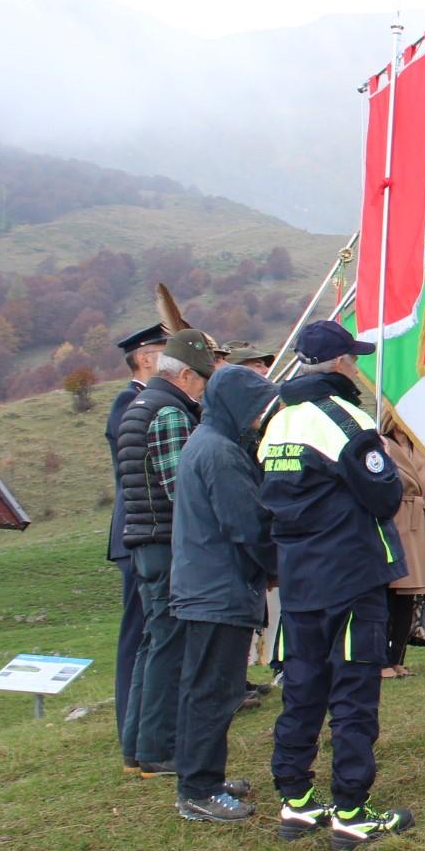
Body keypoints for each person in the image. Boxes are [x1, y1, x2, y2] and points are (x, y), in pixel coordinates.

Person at [258, 321, 413, 850]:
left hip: (298, 580)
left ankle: (296, 798)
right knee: (353, 694)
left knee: (302, 689)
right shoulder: (346, 420)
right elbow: (384, 497)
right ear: (342, 364)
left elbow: (270, 500)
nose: (359, 367)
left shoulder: (276, 422)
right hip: (350, 576)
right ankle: (351, 807)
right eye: (355, 359)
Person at [168, 364, 279, 822]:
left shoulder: (207, 442)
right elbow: (247, 525)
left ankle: (205, 777)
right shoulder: (222, 454)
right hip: (218, 588)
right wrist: (275, 566)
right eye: (255, 410)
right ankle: (198, 789)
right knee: (212, 691)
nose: (258, 420)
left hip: (206, 584)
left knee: (209, 688)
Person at [117, 328, 214, 778]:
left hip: (142, 536)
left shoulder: (140, 407)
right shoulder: (170, 413)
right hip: (164, 540)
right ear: (187, 377)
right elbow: (182, 490)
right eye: (203, 380)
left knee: (152, 644)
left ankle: (137, 744)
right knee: (169, 646)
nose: (203, 389)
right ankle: (159, 748)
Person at [107, 321, 166, 767]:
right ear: (145, 357)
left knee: (150, 630)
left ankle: (143, 719)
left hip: (144, 529)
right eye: (163, 349)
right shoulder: (131, 402)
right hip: (140, 531)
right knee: (139, 633)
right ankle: (132, 717)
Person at [379, 413, 425, 679]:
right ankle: (381, 660)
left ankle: (397, 658)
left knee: (408, 598)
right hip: (396, 522)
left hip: (419, 526)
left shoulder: (421, 447)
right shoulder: (382, 445)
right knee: (389, 594)